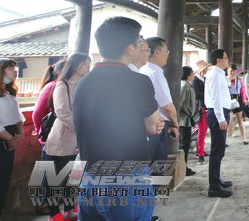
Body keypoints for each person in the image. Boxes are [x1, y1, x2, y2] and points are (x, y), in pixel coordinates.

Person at [72, 17, 163, 220]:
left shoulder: (83, 82)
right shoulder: (138, 81)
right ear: (129, 48)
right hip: (126, 178)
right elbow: (153, 126)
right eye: (140, 42)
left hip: (90, 177)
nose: (142, 46)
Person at [44, 53, 91, 221]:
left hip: (79, 137)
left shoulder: (84, 84)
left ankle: (70, 209)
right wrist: (82, 127)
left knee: (74, 177)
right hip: (63, 138)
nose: (88, 68)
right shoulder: (62, 85)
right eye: (85, 64)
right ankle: (54, 213)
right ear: (76, 66)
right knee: (56, 178)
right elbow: (62, 112)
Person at [31, 59, 66, 216]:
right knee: (46, 170)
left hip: (59, 136)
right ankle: (41, 202)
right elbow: (37, 113)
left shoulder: (63, 86)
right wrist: (40, 131)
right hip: (49, 136)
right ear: (58, 72)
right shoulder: (52, 86)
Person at [140, 37, 179, 162]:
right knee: (157, 166)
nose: (168, 55)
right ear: (156, 53)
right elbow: (167, 106)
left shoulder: (143, 70)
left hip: (146, 125)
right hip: (157, 126)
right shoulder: (155, 73)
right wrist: (174, 122)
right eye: (166, 51)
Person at [205, 49, 233, 198]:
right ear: (218, 60)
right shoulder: (215, 74)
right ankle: (214, 186)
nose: (228, 60)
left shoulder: (219, 73)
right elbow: (216, 98)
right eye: (226, 57)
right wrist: (221, 118)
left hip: (220, 112)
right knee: (217, 150)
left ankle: (217, 180)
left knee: (219, 150)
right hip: (217, 114)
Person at [0, 58, 24, 218]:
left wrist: (19, 134)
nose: (15, 71)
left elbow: (18, 115)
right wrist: (10, 139)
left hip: (10, 137)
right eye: (11, 68)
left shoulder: (10, 92)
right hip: (4, 137)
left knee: (4, 180)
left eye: (15, 68)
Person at [178, 66, 196, 176]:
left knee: (185, 143)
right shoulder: (184, 86)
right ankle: (183, 167)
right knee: (184, 144)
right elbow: (180, 102)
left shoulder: (187, 85)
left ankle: (184, 165)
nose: (193, 74)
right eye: (192, 73)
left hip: (186, 119)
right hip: (184, 119)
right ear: (188, 75)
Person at [192, 59, 211, 164]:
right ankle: (200, 154)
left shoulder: (204, 79)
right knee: (201, 131)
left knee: (203, 131)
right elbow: (197, 94)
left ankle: (201, 149)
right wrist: (208, 95)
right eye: (205, 68)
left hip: (205, 107)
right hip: (200, 108)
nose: (207, 70)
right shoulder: (196, 80)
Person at [227, 63, 248, 144]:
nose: (232, 73)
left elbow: (242, 91)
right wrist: (228, 86)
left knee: (240, 120)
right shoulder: (225, 79)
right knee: (228, 120)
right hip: (228, 99)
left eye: (234, 71)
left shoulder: (239, 80)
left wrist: (244, 100)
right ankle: (225, 140)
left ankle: (244, 138)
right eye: (231, 71)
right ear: (228, 71)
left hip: (238, 99)